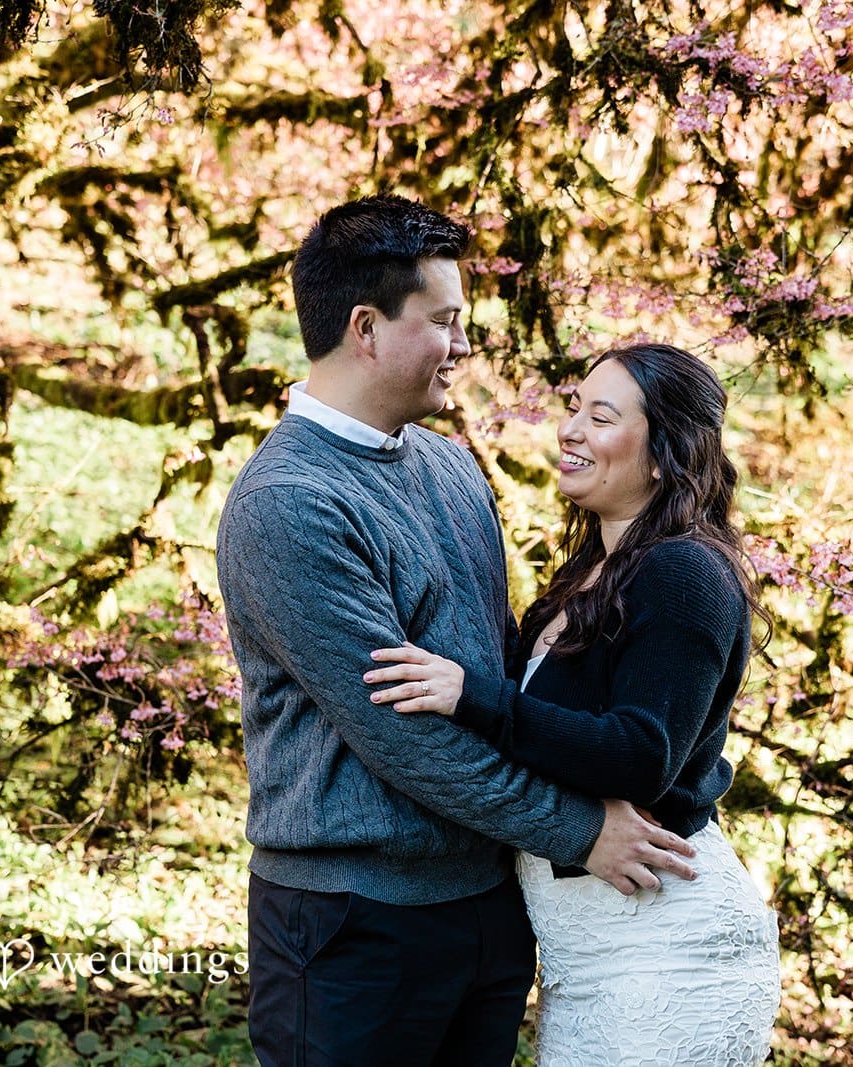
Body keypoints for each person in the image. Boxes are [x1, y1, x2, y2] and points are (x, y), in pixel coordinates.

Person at [215, 196, 700, 1067]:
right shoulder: (291, 504)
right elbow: (403, 737)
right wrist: (580, 829)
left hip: (486, 909)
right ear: (367, 328)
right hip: (353, 924)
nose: (466, 345)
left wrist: (668, 747)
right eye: (446, 320)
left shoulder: (447, 463)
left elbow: (504, 677)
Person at [366, 343, 782, 1065]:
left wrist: (474, 696)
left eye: (602, 415)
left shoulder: (684, 570)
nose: (570, 429)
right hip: (586, 959)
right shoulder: (590, 573)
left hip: (667, 952)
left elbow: (637, 755)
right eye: (572, 409)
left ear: (663, 455)